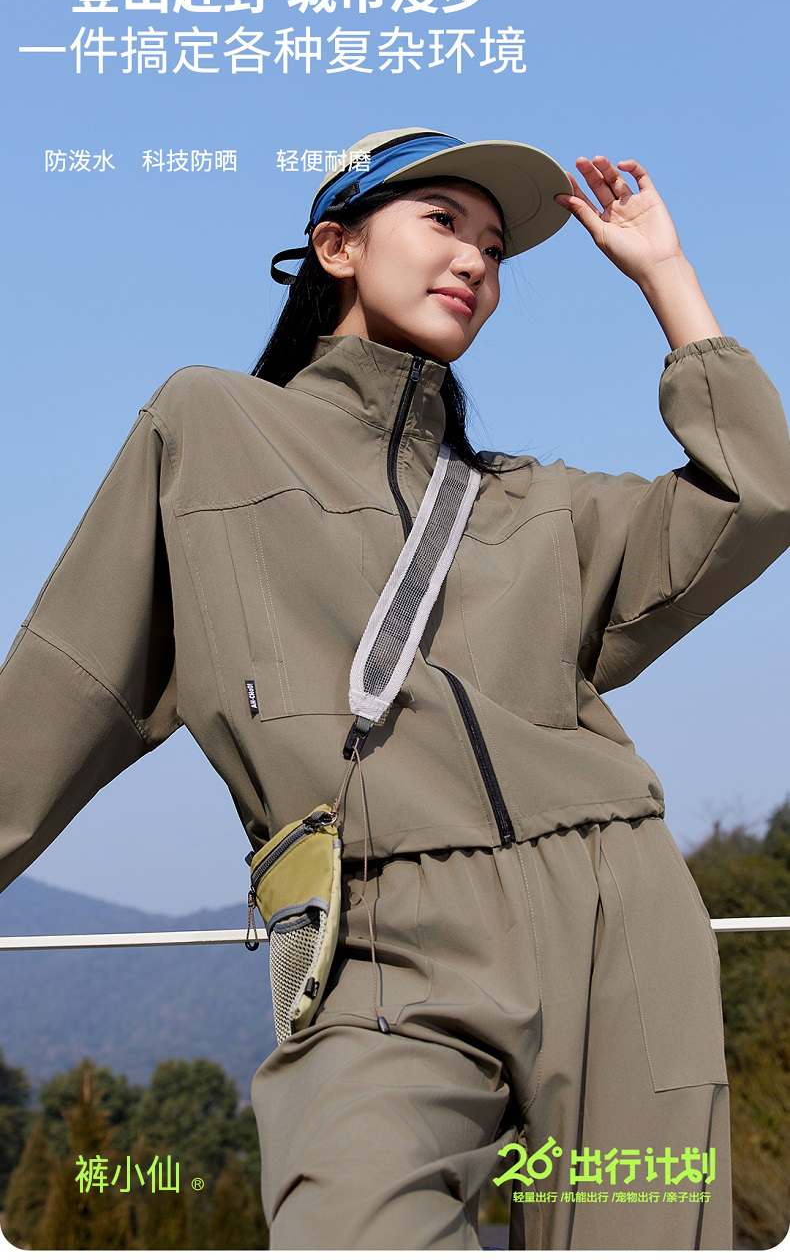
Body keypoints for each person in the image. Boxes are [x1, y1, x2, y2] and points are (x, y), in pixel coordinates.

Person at [1, 125, 789, 1251]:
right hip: (377, 937)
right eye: (442, 221)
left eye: (495, 247)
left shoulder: (536, 504)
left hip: (621, 919)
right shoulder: (211, 425)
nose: (475, 259)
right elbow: (71, 679)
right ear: (337, 246)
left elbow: (757, 494)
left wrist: (665, 274)